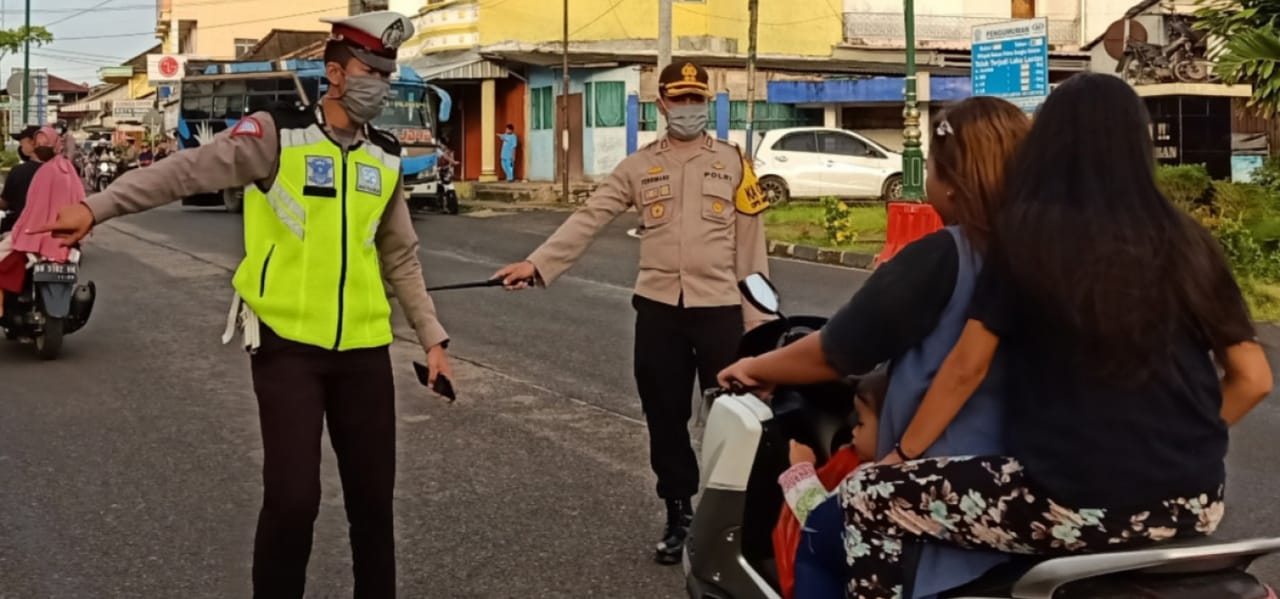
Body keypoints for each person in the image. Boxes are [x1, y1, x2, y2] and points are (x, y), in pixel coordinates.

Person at [34, 11, 454, 599]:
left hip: (364, 349)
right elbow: (183, 171)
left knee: (372, 502)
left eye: (388, 73)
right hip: (286, 345)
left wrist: (432, 338)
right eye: (369, 71)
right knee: (293, 498)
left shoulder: (383, 157)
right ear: (334, 73)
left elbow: (401, 256)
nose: (379, 84)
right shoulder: (276, 135)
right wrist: (98, 208)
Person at [831, 73, 1269, 599]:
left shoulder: (1028, 237)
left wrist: (899, 456)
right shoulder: (1191, 242)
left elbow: (965, 368)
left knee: (865, 497)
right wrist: (1180, 445)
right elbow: (1254, 379)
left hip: (1071, 496)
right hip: (1195, 500)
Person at [718, 96, 1033, 598]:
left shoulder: (944, 254)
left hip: (941, 494)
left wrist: (757, 365)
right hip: (1042, 488)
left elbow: (839, 350)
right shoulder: (1052, 253)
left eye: (930, 165)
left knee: (822, 533)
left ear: (951, 180)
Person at [493, 60, 773, 565]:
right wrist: (537, 264)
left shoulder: (734, 163)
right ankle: (680, 513)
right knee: (665, 419)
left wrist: (759, 324)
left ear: (706, 102)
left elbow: (752, 248)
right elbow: (589, 217)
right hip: (660, 311)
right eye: (679, 100)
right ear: (661, 105)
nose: (688, 108)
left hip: (721, 312)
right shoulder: (639, 167)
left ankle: (734, 520)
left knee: (735, 420)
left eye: (696, 99)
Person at [1, 126, 44, 236]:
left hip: (18, 228)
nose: (20, 147)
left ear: (32, 143)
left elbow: (5, 203)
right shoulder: (62, 170)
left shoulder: (18, 171)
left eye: (22, 143)